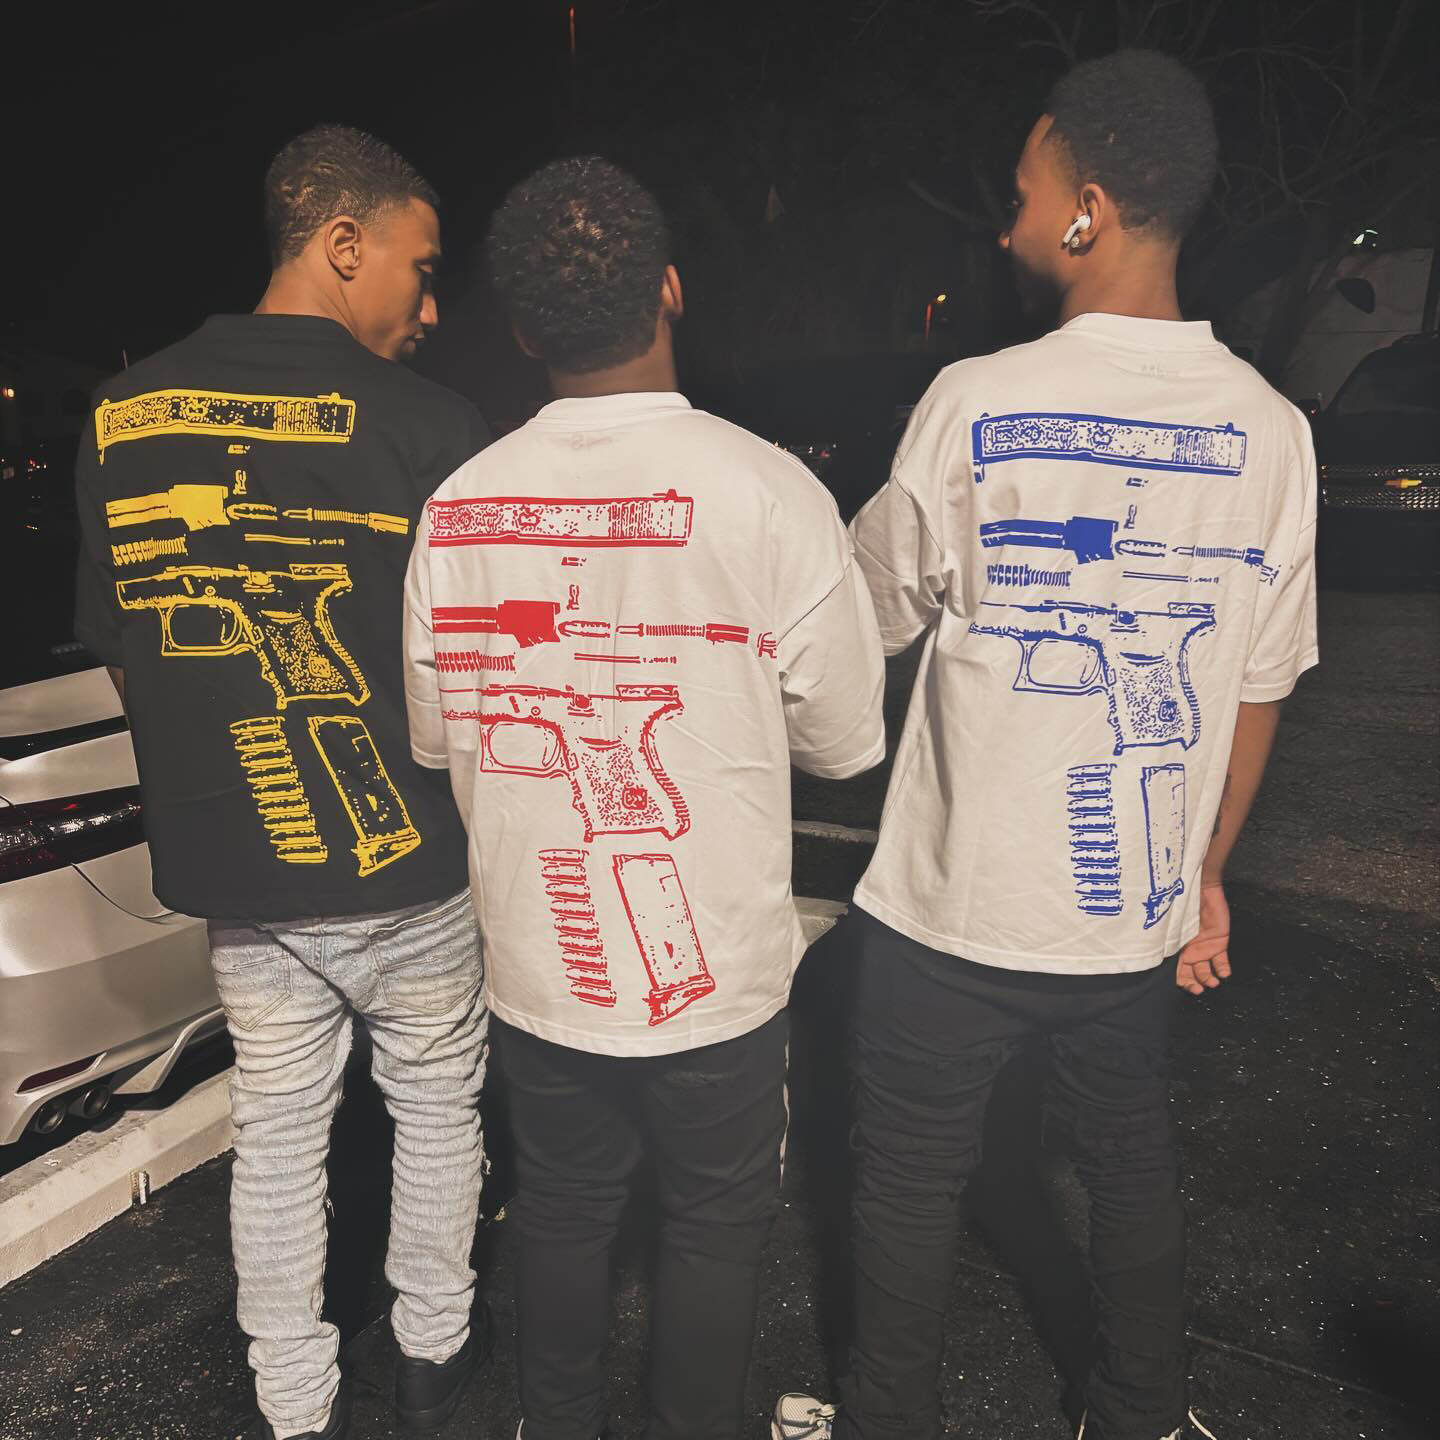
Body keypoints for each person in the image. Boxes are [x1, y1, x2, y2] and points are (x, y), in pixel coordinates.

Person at [773, 49, 1318, 1440]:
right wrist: (1204, 871)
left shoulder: (976, 401)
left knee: (905, 1184)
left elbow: (866, 613)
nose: (1008, 223)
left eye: (1023, 194)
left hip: (950, 917)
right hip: (1131, 925)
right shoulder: (1271, 432)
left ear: (1086, 211)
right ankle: (1142, 1413)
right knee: (1128, 1166)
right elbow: (1258, 688)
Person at [403, 155, 887, 1440]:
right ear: (670, 290)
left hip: (540, 973)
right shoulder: (771, 488)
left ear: (522, 330)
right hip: (718, 980)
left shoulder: (457, 510)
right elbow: (847, 742)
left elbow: (442, 743)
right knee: (716, 1223)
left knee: (560, 1211)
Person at [73, 124, 494, 1440]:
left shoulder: (122, 417)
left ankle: (294, 1404)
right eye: (421, 267)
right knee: (436, 1110)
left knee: (277, 1131)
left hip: (240, 878)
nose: (429, 305)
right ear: (344, 243)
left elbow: (131, 665)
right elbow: (462, 674)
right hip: (409, 865)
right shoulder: (433, 426)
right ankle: (430, 1360)